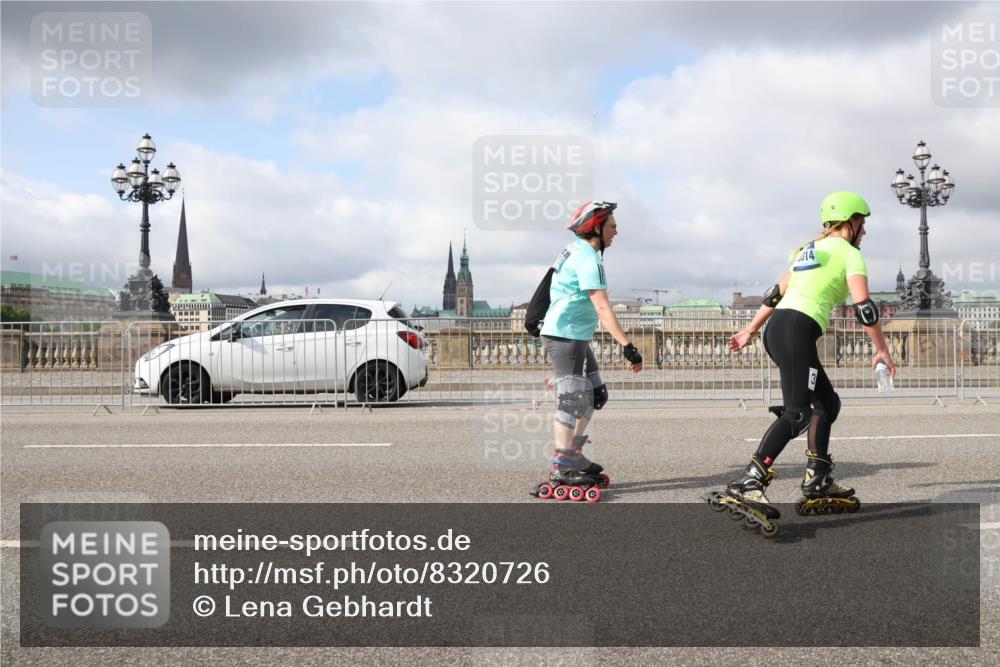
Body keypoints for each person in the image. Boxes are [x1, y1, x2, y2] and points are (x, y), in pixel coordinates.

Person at [724, 191, 896, 521]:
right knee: (797, 413)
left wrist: (749, 330)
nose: (866, 231)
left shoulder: (808, 250)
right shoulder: (849, 253)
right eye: (863, 223)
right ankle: (750, 480)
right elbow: (865, 309)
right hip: (797, 332)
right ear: (852, 222)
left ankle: (817, 479)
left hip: (778, 329)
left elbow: (775, 293)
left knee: (827, 403)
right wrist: (882, 350)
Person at [533, 201, 643, 498]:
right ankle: (562, 466)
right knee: (571, 400)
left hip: (576, 335)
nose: (617, 231)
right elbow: (602, 306)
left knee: (595, 395)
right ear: (595, 228)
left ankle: (574, 454)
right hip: (564, 336)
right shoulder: (587, 259)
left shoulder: (576, 251)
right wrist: (627, 345)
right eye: (612, 226)